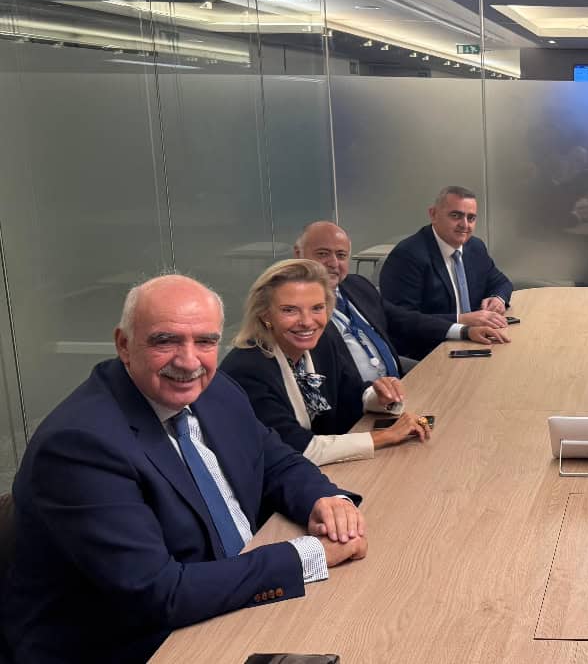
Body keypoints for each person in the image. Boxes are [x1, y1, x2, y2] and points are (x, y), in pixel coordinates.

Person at [1, 275, 368, 663]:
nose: (189, 361)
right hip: (135, 644)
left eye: (205, 341)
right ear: (124, 344)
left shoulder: (217, 390)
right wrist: (307, 556)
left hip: (226, 603)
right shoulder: (79, 445)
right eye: (165, 340)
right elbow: (158, 593)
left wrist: (324, 499)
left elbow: (275, 460)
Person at [220, 259, 431, 467]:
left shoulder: (321, 342)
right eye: (289, 310)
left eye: (317, 308)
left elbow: (350, 392)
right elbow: (296, 448)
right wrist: (387, 436)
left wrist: (381, 397)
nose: (307, 322)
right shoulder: (247, 369)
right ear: (264, 314)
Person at [294, 221, 509, 369]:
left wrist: (465, 331)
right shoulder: (293, 311)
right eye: (322, 254)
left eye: (341, 255)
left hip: (395, 386)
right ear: (298, 254)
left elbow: (405, 319)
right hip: (357, 406)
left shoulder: (357, 286)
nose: (333, 263)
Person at [379, 185, 514, 357]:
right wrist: (461, 321)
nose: (464, 225)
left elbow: (501, 282)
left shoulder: (475, 247)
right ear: (433, 214)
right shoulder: (407, 256)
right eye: (456, 215)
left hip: (475, 340)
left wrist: (498, 298)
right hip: (430, 349)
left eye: (471, 218)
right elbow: (401, 320)